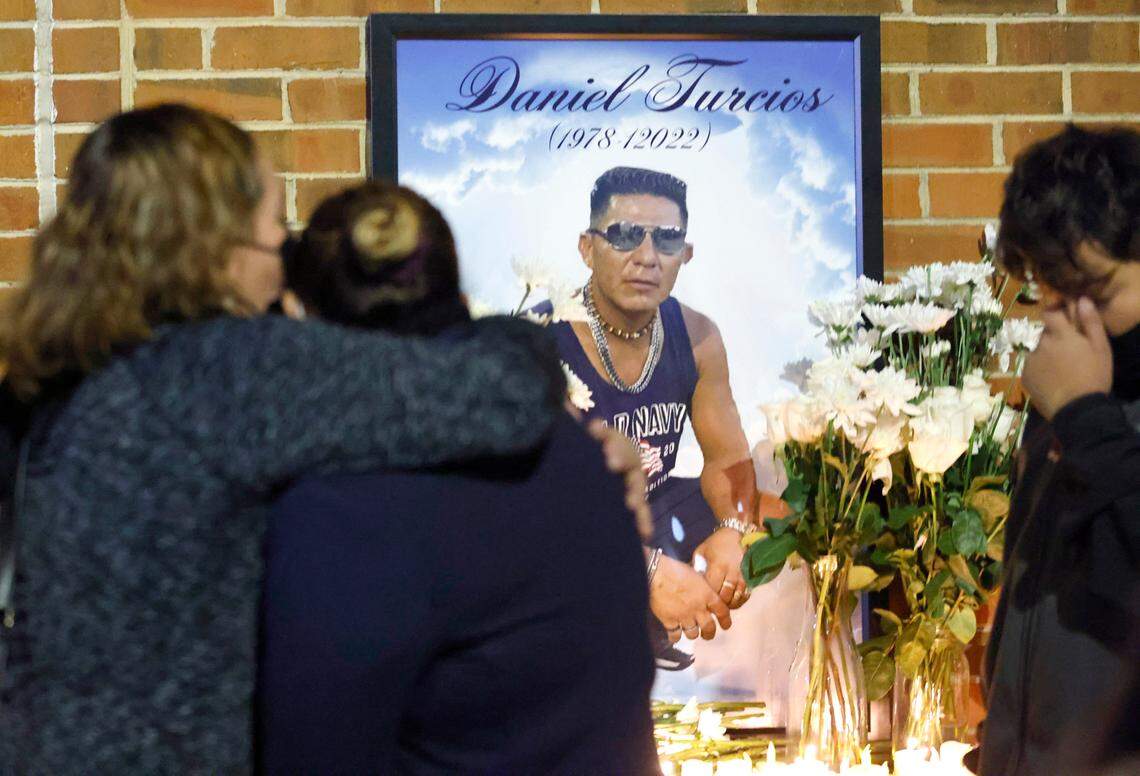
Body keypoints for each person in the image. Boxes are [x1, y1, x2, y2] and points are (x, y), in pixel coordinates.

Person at [0, 104, 571, 773]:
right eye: (278, 229)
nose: (286, 260)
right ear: (216, 243)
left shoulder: (52, 373)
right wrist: (516, 325)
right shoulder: (230, 371)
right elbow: (504, 395)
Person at [258, 182, 658, 773]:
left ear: (302, 316)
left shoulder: (342, 507)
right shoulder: (584, 457)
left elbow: (311, 752)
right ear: (456, 297)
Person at [537, 166, 785, 647]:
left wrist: (734, 532)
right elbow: (534, 504)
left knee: (778, 503)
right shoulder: (539, 340)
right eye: (625, 236)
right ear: (587, 248)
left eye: (667, 240)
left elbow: (727, 458)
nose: (647, 257)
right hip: (561, 530)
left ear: (685, 255)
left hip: (646, 508)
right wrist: (646, 570)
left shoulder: (697, 337)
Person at [980, 124, 1140, 776]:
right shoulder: (1071, 397)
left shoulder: (1081, 402)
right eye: (1049, 284)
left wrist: (1086, 418)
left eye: (1095, 291)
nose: (1066, 318)